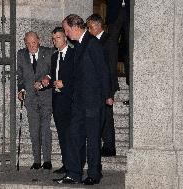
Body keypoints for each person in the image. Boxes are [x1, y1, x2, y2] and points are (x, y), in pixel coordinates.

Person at [57, 14, 112, 185]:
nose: (66, 34)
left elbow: (103, 71)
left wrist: (108, 96)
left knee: (93, 139)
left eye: (66, 30)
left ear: (75, 27)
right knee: (74, 136)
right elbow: (77, 74)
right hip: (79, 102)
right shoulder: (79, 45)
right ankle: (74, 173)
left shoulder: (92, 43)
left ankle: (94, 174)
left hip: (93, 101)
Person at [17, 31, 53, 170]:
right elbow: (20, 75)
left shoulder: (48, 52)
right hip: (30, 98)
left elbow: (54, 70)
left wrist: (47, 78)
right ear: (25, 43)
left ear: (39, 40)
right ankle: (37, 161)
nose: (31, 46)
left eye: (33, 42)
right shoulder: (21, 54)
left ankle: (47, 161)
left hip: (46, 96)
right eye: (28, 43)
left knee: (45, 128)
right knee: (34, 130)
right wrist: (21, 90)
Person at [42, 27, 75, 174]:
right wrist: (45, 81)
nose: (55, 41)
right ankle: (66, 164)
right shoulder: (55, 56)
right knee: (62, 134)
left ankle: (74, 165)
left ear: (65, 38)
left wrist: (65, 84)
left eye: (58, 38)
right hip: (57, 100)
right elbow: (53, 75)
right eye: (53, 39)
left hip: (70, 101)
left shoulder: (74, 54)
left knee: (71, 134)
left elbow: (79, 77)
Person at [86, 14, 116, 157]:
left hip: (107, 85)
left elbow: (110, 67)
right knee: (100, 116)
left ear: (98, 26)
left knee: (107, 117)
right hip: (96, 86)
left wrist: (109, 92)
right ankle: (101, 142)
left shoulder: (108, 40)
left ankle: (110, 146)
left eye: (90, 27)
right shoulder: (92, 41)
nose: (89, 30)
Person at [107, 0, 130, 105]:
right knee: (111, 51)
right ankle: (112, 86)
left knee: (129, 51)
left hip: (131, 11)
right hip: (114, 11)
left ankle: (132, 88)